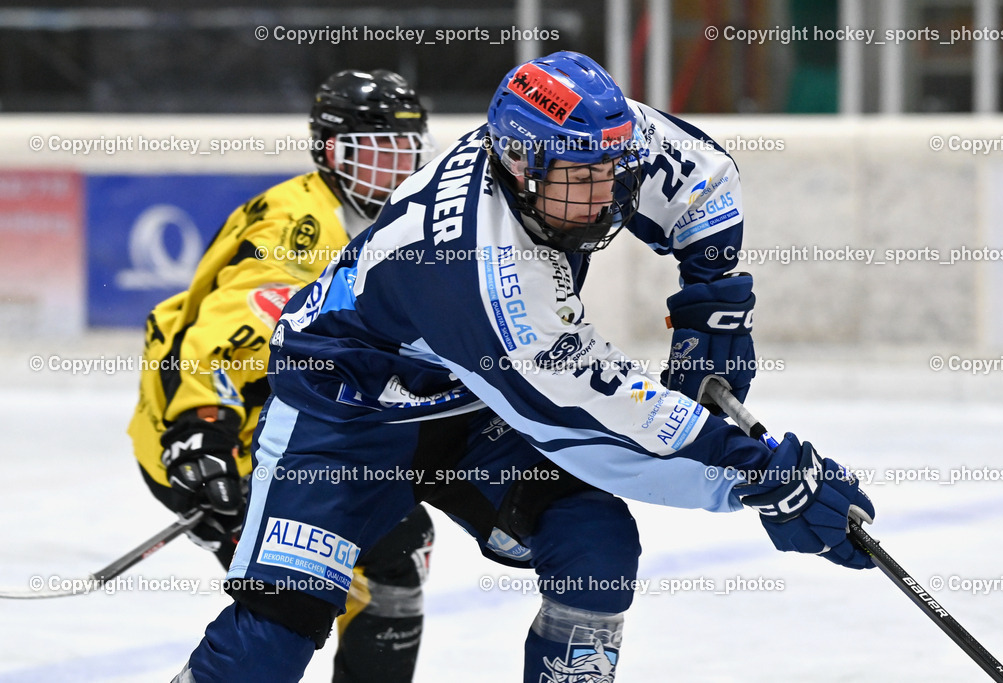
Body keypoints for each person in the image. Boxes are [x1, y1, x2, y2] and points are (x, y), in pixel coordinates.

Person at [173, 51, 876, 683]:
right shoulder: (482, 271)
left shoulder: (593, 136)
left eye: (612, 175)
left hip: (472, 404)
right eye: (579, 181)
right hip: (346, 410)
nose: (604, 199)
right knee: (277, 628)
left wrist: (711, 305)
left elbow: (704, 181)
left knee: (595, 552)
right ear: (518, 163)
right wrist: (765, 477)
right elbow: (603, 423)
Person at [128, 69, 436, 683]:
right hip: (214, 445)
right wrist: (202, 429)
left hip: (305, 436)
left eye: (404, 149)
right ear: (328, 152)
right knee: (299, 595)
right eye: (373, 150)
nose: (393, 168)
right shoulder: (298, 229)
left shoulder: (410, 223)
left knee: (396, 551)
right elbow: (225, 335)